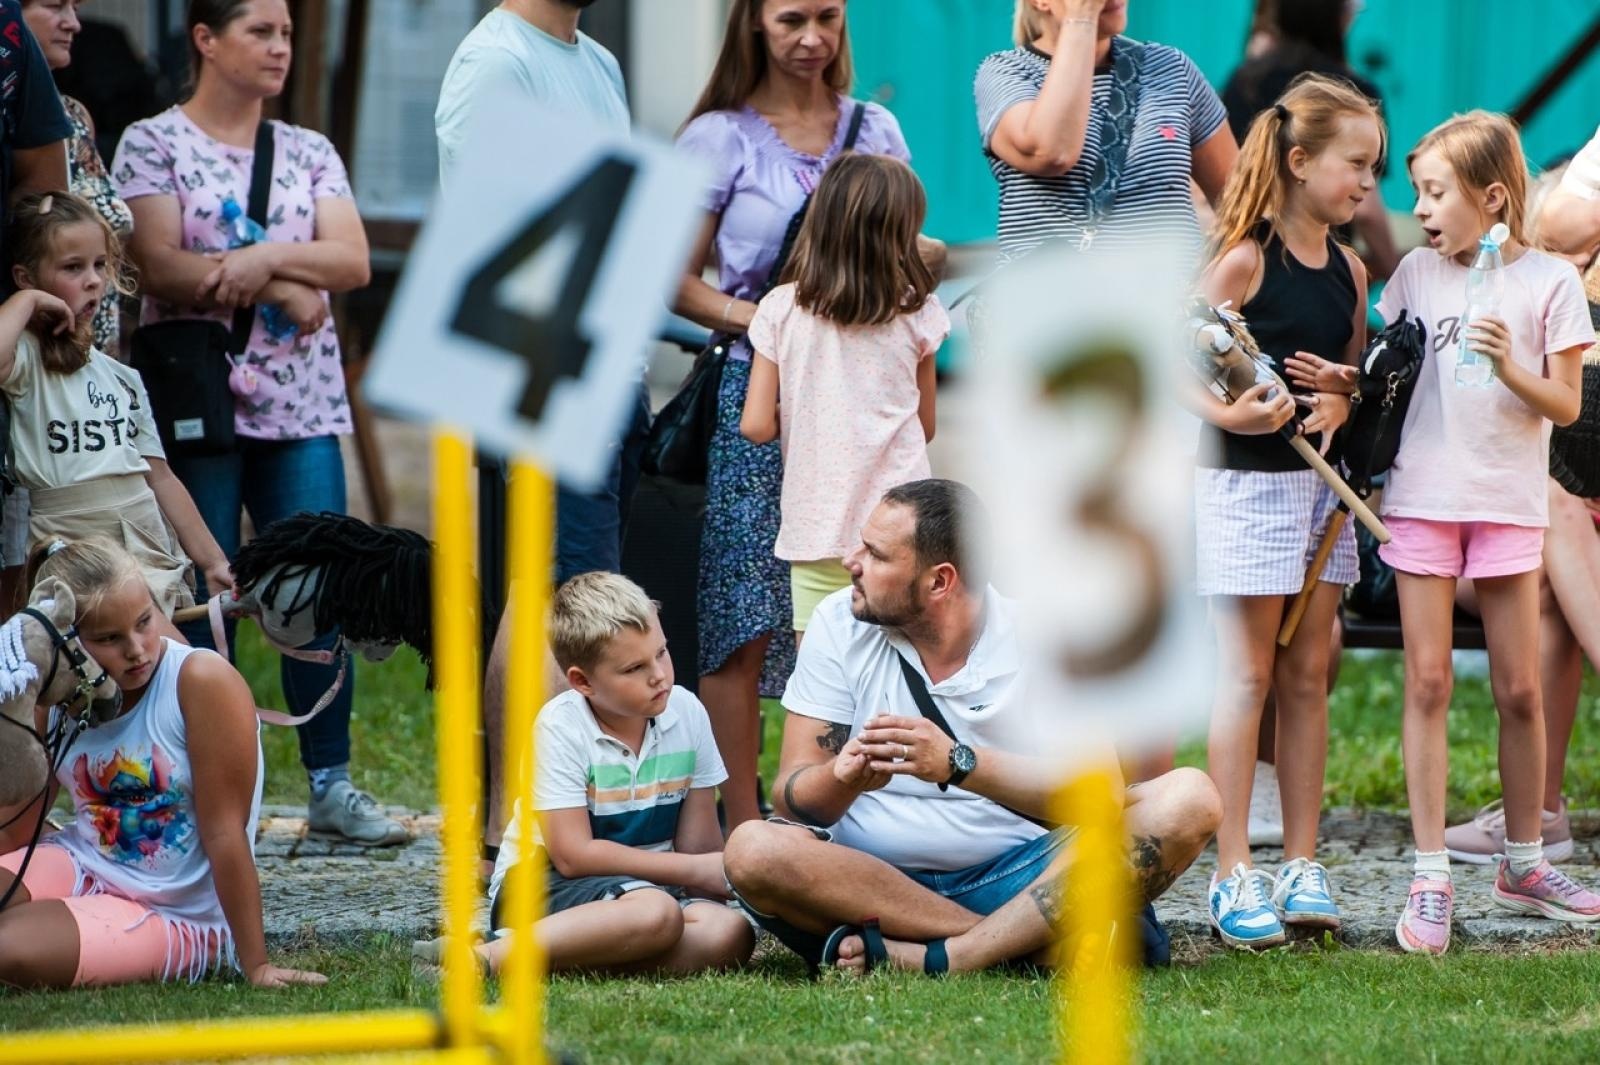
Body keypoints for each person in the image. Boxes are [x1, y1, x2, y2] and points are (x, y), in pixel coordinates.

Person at [722, 480, 1221, 974]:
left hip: (1024, 878)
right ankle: (1017, 946)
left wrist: (958, 763)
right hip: (867, 883)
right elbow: (793, 797)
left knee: (1188, 799)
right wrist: (841, 779)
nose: (853, 562)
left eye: (876, 555)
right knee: (752, 848)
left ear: (940, 581)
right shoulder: (839, 623)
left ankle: (950, 957)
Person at [111, 0, 393, 847]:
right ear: (205, 39)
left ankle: (331, 783)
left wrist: (264, 260)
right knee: (207, 594)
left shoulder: (307, 150)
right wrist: (282, 288)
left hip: (302, 407)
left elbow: (352, 260)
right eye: (259, 32)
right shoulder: (152, 142)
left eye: (286, 34)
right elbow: (157, 263)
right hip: (198, 401)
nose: (280, 48)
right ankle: (213, 781)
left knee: (317, 587)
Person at [674, 0, 944, 834]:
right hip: (767, 383)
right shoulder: (717, 136)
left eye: (828, 17)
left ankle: (837, 812)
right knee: (742, 619)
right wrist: (765, 327)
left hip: (820, 378)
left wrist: (808, 318)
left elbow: (911, 254)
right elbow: (671, 276)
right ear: (751, 22)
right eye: (792, 18)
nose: (812, 38)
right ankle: (750, 820)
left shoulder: (877, 129)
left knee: (833, 618)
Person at [435, 0, 652, 880]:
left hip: (615, 368)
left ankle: (535, 816)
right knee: (551, 594)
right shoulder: (496, 62)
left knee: (558, 590)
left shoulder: (595, 62)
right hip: (548, 365)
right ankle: (513, 825)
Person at [1379, 111, 1600, 955]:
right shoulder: (1413, 276)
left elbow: (1567, 405)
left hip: (1510, 507)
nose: (1423, 210)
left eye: (1436, 193)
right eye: (1419, 194)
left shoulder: (1549, 283)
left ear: (1493, 196)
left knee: (1519, 692)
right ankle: (1431, 871)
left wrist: (1512, 365)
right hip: (1423, 504)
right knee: (1428, 683)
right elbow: (1389, 381)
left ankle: (1523, 858)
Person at [1194, 75, 1380, 949]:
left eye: (1374, 168)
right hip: (1245, 487)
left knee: (1309, 674)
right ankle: (1233, 866)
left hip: (1321, 497)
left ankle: (1301, 859)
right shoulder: (1246, 258)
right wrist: (1232, 413)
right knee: (1247, 677)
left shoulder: (1351, 267)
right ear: (1299, 162)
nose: (1367, 184)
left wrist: (1346, 397)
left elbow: (1351, 372)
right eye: (1355, 164)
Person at [0, 538, 324, 989]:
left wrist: (257, 964)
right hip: (84, 860)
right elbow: (19, 826)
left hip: (174, 912)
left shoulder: (201, 682)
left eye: (144, 622)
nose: (137, 649)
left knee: (8, 949)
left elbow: (225, 832)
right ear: (66, 643)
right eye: (110, 639)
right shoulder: (57, 688)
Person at [420, 572, 753, 977]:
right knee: (656, 914)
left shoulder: (687, 713)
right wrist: (690, 872)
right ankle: (483, 961)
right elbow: (573, 856)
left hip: (645, 894)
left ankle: (550, 956)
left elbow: (699, 851)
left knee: (729, 932)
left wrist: (731, 881)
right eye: (634, 668)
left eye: (662, 653)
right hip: (545, 882)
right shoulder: (560, 727)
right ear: (582, 681)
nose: (659, 676)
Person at [740, 152, 947, 640]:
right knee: (900, 668)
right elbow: (927, 425)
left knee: (819, 673)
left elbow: (755, 425)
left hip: (817, 527)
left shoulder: (779, 309)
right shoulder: (919, 311)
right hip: (901, 528)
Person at [0, 191, 229, 620]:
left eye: (100, 265)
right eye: (73, 267)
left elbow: (159, 476)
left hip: (141, 539)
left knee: (156, 671)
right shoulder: (26, 361)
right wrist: (25, 302)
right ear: (25, 277)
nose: (94, 280)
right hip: (75, 552)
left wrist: (214, 561)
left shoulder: (121, 377)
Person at [974, 0, 1238, 264]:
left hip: (1166, 299)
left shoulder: (1171, 69)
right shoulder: (1006, 72)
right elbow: (1052, 152)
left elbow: (1243, 206)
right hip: (1054, 299)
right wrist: (1081, 20)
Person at [1220, 0, 1399, 280]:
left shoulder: (1243, 81)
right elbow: (1368, 212)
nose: (1355, 13)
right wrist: (1396, 275)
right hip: (1323, 266)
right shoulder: (1354, 92)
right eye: (1350, 6)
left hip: (1249, 247)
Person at [23, 0, 133, 355]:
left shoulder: (74, 115)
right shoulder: (12, 118)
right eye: (55, 7)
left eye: (76, 8)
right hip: (36, 364)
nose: (73, 23)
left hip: (96, 364)